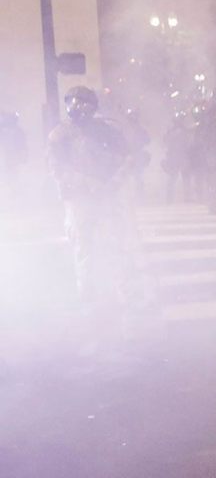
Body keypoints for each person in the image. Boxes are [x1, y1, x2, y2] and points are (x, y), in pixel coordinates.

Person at [48, 86, 136, 353]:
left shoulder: (107, 131)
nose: (77, 106)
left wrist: (112, 183)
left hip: (107, 196)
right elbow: (57, 168)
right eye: (73, 101)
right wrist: (85, 183)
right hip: (79, 200)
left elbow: (128, 158)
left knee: (115, 245)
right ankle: (88, 298)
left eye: (83, 102)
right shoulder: (60, 134)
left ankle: (121, 296)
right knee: (83, 248)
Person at [162, 110, 194, 203]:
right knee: (177, 178)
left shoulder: (182, 131)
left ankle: (175, 198)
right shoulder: (176, 131)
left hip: (180, 156)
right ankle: (171, 198)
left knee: (182, 178)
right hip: (177, 156)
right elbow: (166, 141)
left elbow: (188, 143)